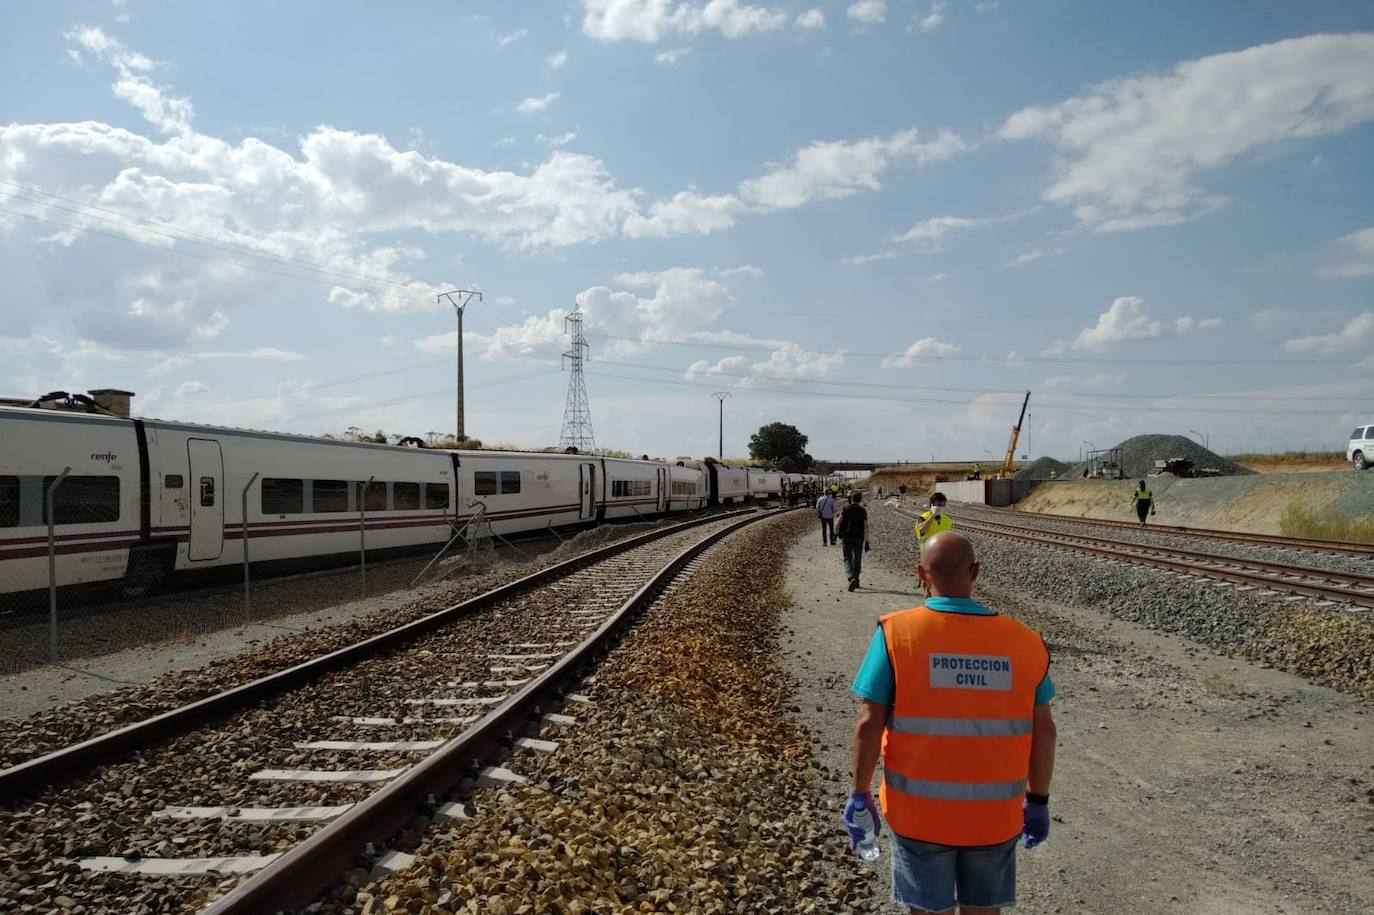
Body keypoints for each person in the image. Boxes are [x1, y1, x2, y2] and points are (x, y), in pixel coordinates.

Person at [846, 532, 1057, 914]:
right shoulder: (1025, 641)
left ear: (921, 574)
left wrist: (859, 792)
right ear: (975, 571)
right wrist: (1038, 799)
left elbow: (868, 721)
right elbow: (1044, 729)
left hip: (919, 818)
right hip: (994, 818)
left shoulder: (897, 634)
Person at [836, 492, 870, 591]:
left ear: (851, 499)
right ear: (860, 500)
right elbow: (866, 527)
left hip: (847, 537)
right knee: (857, 559)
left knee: (847, 558)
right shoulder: (863, 511)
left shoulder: (846, 508)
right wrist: (867, 541)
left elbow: (839, 522)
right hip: (859, 538)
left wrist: (836, 532)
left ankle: (851, 577)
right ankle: (857, 580)